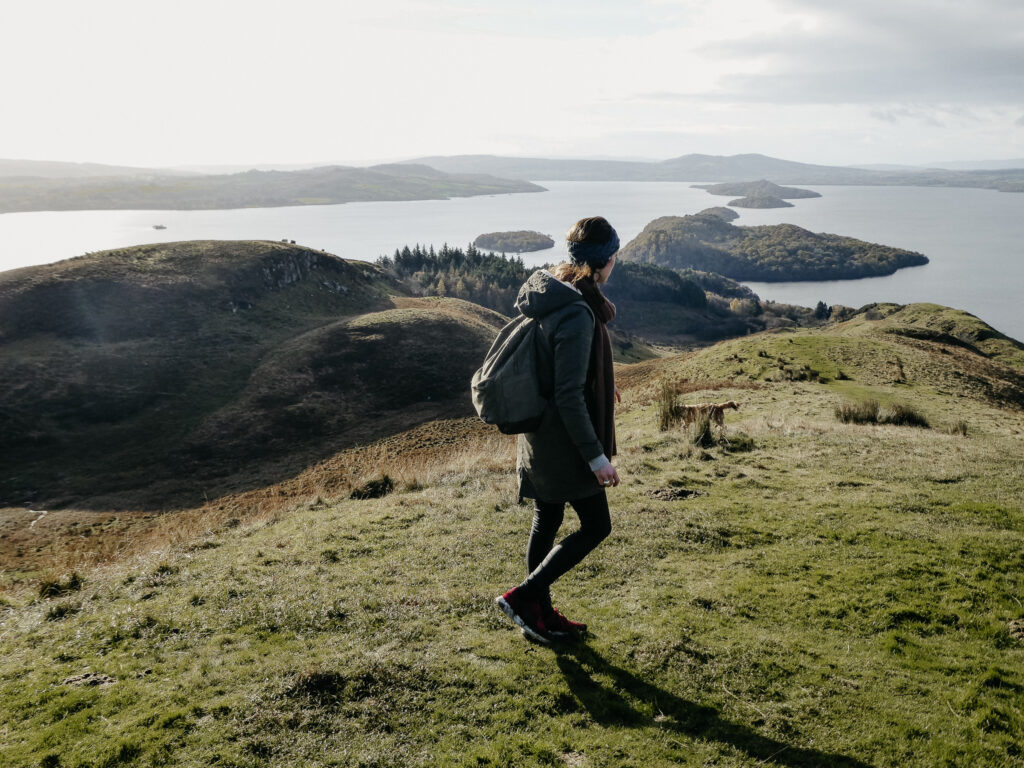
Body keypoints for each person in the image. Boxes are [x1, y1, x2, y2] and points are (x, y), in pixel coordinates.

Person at [495, 215, 621, 643]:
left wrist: (603, 386)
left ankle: (539, 616)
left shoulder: (556, 294)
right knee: (596, 526)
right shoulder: (576, 313)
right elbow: (569, 395)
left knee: (546, 517)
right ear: (603, 261)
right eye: (613, 256)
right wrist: (596, 457)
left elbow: (566, 373)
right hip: (562, 441)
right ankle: (525, 598)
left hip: (539, 433)